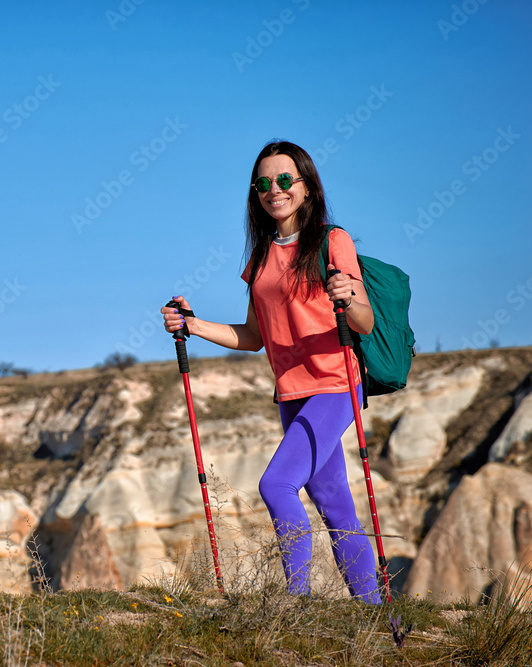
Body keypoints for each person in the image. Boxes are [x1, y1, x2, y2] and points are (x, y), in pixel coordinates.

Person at [160, 140, 381, 604]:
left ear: (306, 186)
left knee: (276, 483)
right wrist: (193, 325)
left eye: (285, 180)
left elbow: (364, 322)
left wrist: (350, 295)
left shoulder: (331, 241)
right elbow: (254, 336)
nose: (273, 190)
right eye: (263, 183)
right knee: (334, 504)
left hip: (336, 384)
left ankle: (294, 602)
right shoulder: (260, 260)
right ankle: (376, 615)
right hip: (291, 393)